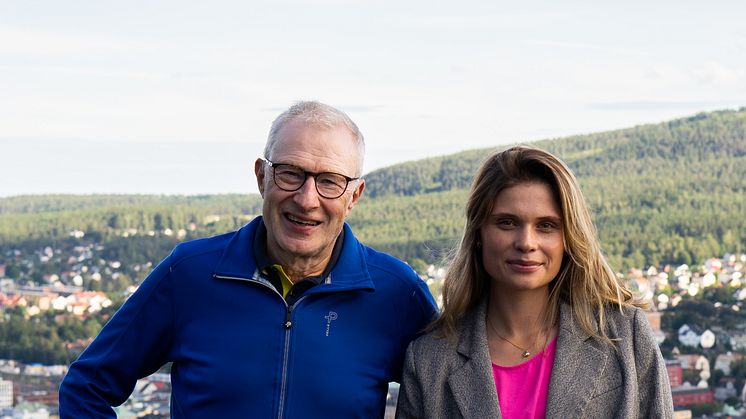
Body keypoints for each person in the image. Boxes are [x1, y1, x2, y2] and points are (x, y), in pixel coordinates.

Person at [59, 101, 438, 418]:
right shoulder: (189, 274)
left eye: (329, 181)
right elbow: (85, 390)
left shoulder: (397, 294)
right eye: (290, 174)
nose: (307, 199)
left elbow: (452, 393)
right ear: (262, 177)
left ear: (354, 196)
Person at [395, 145, 673, 418]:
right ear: (479, 233)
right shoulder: (429, 361)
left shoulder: (624, 335)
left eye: (546, 225)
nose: (526, 243)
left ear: (569, 237)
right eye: (506, 223)